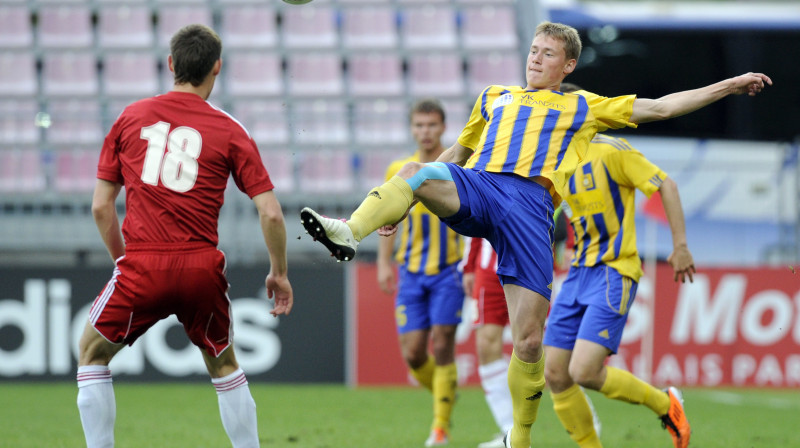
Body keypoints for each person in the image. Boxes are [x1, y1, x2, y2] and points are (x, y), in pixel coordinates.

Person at [299, 21, 770, 448]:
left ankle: (517, 440)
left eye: (548, 53)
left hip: (530, 209)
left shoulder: (582, 107)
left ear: (568, 65)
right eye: (533, 49)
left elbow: (663, 107)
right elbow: (459, 151)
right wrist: (410, 197)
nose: (536, 58)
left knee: (528, 342)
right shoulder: (493, 97)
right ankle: (348, 231)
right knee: (417, 169)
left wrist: (729, 85)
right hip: (482, 186)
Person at [76, 24, 293, 448]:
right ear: (217, 68)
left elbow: (101, 206)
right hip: (200, 267)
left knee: (91, 354)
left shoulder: (130, 117)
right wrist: (279, 272)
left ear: (171, 64)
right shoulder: (230, 130)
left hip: (142, 264)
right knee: (224, 363)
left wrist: (124, 260)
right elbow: (269, 211)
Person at [376, 99, 464, 447]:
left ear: (442, 127)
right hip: (411, 271)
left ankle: (440, 427)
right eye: (419, 125)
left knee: (443, 344)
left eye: (431, 125)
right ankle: (446, 393)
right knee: (414, 354)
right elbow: (387, 217)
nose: (425, 131)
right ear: (412, 129)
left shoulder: (456, 165)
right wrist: (384, 263)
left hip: (449, 270)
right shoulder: (400, 168)